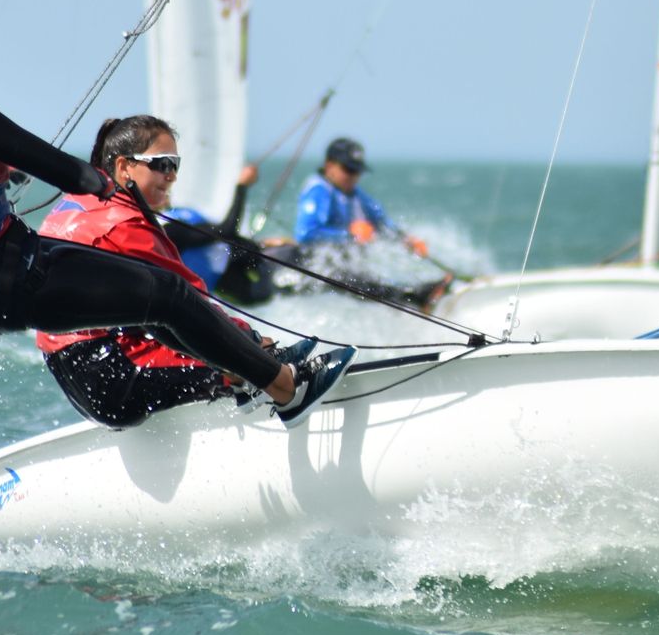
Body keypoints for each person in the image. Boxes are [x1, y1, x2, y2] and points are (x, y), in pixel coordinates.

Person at [0, 0, 352, 427]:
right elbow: (73, 175)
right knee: (168, 296)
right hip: (15, 275)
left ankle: (249, 371)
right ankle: (288, 388)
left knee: (152, 304)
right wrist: (100, 180)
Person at [35, 116, 313, 427]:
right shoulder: (124, 224)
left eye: (175, 165)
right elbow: (191, 307)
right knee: (227, 353)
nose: (172, 176)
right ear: (125, 166)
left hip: (78, 371)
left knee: (211, 342)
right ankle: (281, 390)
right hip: (114, 376)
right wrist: (252, 342)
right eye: (162, 164)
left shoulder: (79, 202)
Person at [277, 137, 449, 308]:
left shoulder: (357, 194)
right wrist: (350, 235)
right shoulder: (318, 190)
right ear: (329, 165)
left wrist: (405, 240)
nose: (353, 176)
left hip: (344, 264)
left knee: (368, 274)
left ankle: (416, 296)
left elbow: (381, 224)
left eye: (357, 171)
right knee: (351, 278)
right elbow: (304, 234)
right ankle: (415, 297)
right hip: (317, 267)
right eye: (348, 169)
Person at [162, 163, 279, 305]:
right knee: (285, 280)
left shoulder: (178, 214)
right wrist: (242, 186)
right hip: (238, 283)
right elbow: (226, 229)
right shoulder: (168, 229)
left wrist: (261, 244)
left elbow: (220, 236)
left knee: (289, 255)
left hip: (247, 261)